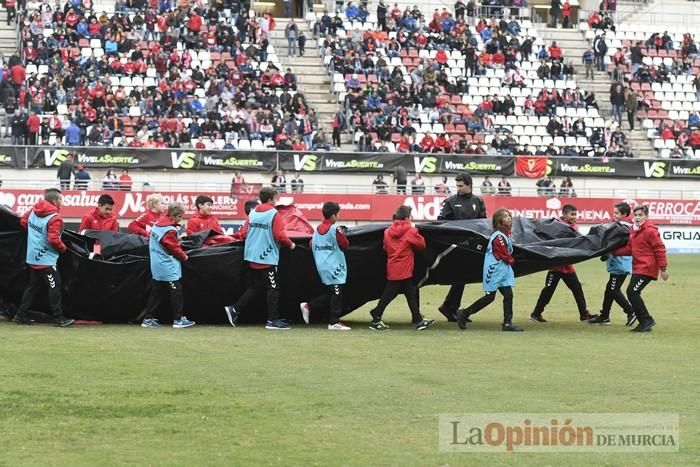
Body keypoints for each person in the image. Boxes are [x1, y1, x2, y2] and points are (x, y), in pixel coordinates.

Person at [223, 187, 296, 330]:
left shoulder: (253, 213)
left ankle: (234, 309)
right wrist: (291, 245)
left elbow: (243, 234)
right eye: (276, 198)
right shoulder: (274, 214)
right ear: (270, 199)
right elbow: (280, 236)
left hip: (252, 256)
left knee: (256, 286)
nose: (277, 201)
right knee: (273, 288)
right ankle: (272, 321)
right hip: (266, 258)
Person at [13, 188, 74, 326]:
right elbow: (53, 239)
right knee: (55, 286)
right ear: (54, 201)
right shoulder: (55, 218)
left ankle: (20, 315)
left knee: (32, 286)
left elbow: (23, 223)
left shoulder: (33, 210)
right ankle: (58, 318)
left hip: (32, 256)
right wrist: (64, 249)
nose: (62, 203)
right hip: (46, 259)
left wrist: (36, 236)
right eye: (61, 200)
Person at [368, 205, 434, 331]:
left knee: (410, 293)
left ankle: (418, 319)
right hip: (404, 268)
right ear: (407, 217)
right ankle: (376, 315)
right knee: (391, 294)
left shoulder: (387, 231)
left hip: (393, 266)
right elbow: (422, 245)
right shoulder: (410, 230)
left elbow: (385, 248)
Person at [456, 208, 523, 332]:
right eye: (505, 216)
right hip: (495, 270)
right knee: (490, 297)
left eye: (509, 215)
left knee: (508, 295)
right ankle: (464, 313)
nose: (508, 217)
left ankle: (507, 323)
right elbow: (504, 254)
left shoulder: (504, 235)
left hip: (502, 271)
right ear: (498, 221)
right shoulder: (499, 236)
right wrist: (514, 261)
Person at [530, 204, 596, 323]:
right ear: (564, 215)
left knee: (577, 289)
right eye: (572, 214)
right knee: (548, 291)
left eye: (575, 214)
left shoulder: (574, 227)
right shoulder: (556, 226)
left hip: (568, 267)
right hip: (555, 267)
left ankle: (584, 314)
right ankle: (536, 313)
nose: (574, 217)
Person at [436, 173, 487, 321]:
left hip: (472, 246)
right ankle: (449, 307)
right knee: (461, 276)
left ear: (469, 185)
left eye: (461, 185)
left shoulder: (478, 201)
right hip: (455, 246)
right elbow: (441, 222)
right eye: (457, 185)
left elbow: (483, 223)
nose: (458, 188)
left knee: (463, 277)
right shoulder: (450, 202)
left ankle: (449, 307)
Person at [614, 205, 669, 332]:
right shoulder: (634, 231)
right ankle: (645, 321)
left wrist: (663, 269)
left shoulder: (650, 231)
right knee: (632, 292)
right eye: (636, 215)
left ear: (646, 217)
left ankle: (646, 320)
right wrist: (613, 252)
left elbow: (659, 249)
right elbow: (629, 249)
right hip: (638, 267)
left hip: (647, 268)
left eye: (640, 215)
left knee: (632, 292)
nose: (637, 218)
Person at [140, 203, 195, 329]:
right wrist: (184, 256)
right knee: (176, 291)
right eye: (180, 217)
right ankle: (178, 320)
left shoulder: (159, 223)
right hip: (166, 265)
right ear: (175, 216)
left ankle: (148, 319)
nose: (181, 219)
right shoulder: (169, 230)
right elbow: (174, 247)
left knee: (156, 292)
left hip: (156, 263)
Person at [299, 202, 352, 330]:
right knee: (337, 293)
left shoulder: (317, 229)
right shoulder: (335, 229)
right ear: (333, 215)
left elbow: (312, 244)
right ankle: (334, 322)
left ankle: (308, 306)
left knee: (332, 292)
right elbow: (345, 244)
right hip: (334, 266)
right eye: (338, 214)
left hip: (322, 265)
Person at [589, 202, 635, 325]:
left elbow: (614, 243)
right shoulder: (624, 226)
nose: (614, 215)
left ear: (624, 214)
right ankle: (604, 316)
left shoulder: (621, 227)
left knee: (614, 289)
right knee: (609, 290)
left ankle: (631, 311)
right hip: (619, 263)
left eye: (616, 213)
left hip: (619, 263)